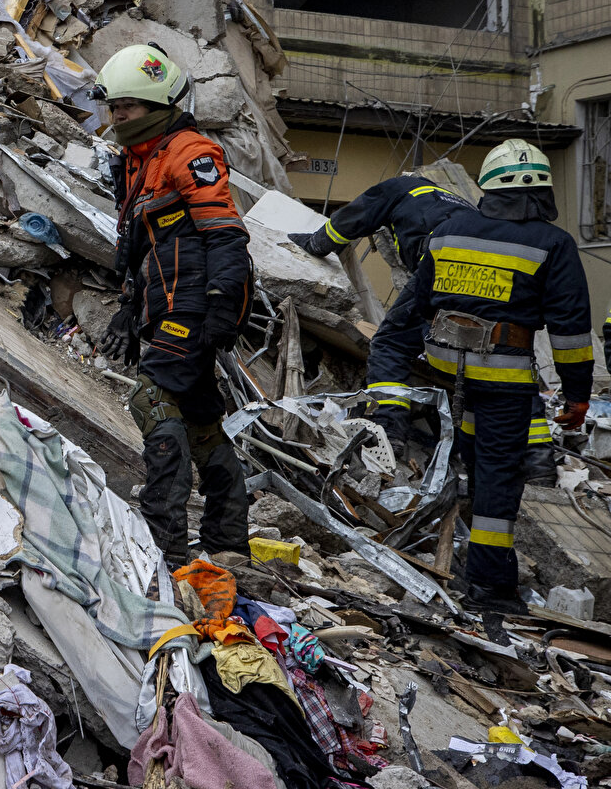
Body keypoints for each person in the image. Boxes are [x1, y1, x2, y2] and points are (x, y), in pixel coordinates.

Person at [409, 139, 592, 614]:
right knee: (497, 478)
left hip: (445, 374)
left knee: (464, 455)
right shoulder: (554, 244)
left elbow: (422, 302)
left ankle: (451, 550)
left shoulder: (450, 230)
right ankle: (489, 588)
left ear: (488, 185)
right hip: (503, 382)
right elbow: (570, 333)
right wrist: (577, 396)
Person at [94, 42, 252, 565]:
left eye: (129, 106)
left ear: (159, 105)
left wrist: (222, 309)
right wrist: (126, 307)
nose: (119, 115)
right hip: (165, 306)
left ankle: (167, 547)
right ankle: (228, 542)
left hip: (193, 308)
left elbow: (225, 236)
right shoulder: (138, 161)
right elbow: (142, 251)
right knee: (201, 418)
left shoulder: (191, 151)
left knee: (152, 401)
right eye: (114, 106)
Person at [290, 179, 557, 485]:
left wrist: (314, 244)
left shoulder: (399, 188)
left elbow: (349, 222)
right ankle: (539, 462)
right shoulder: (461, 205)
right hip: (497, 279)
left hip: (446, 269)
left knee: (392, 343)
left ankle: (389, 431)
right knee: (507, 358)